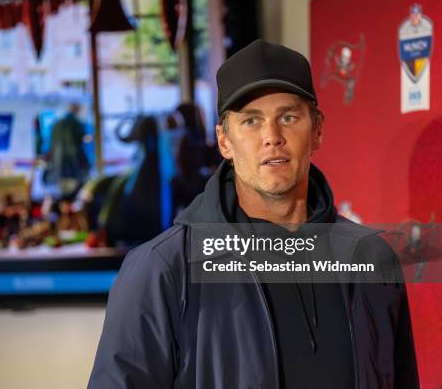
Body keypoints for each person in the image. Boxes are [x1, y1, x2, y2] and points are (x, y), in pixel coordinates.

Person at [88, 40, 419, 388]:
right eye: (251, 121)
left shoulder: (373, 259)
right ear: (224, 141)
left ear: (317, 129)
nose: (272, 137)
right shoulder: (161, 270)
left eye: (288, 117)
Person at [44, 103, 90, 198]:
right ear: (77, 111)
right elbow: (80, 142)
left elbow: (50, 145)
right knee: (75, 195)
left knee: (63, 194)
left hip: (58, 166)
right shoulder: (78, 124)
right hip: (75, 166)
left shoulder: (56, 124)